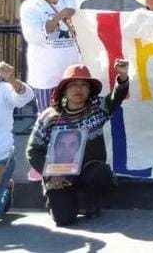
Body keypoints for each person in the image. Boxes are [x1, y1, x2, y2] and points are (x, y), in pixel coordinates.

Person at [26, 60, 129, 226]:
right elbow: (33, 150)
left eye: (84, 85)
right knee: (63, 220)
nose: (79, 89)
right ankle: (58, 200)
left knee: (101, 172)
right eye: (73, 85)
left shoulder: (98, 108)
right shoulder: (49, 116)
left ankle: (90, 201)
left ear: (90, 91)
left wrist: (122, 77)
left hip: (89, 171)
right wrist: (50, 175)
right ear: (64, 90)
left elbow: (117, 97)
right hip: (59, 174)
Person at [19, 0, 118, 114]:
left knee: (74, 119)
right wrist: (60, 16)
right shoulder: (31, 6)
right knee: (49, 120)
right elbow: (34, 37)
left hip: (73, 76)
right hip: (45, 77)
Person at [0, 62, 34, 218]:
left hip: (1, 157)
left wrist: (11, 79)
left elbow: (26, 97)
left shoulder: (4, 90)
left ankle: (6, 189)